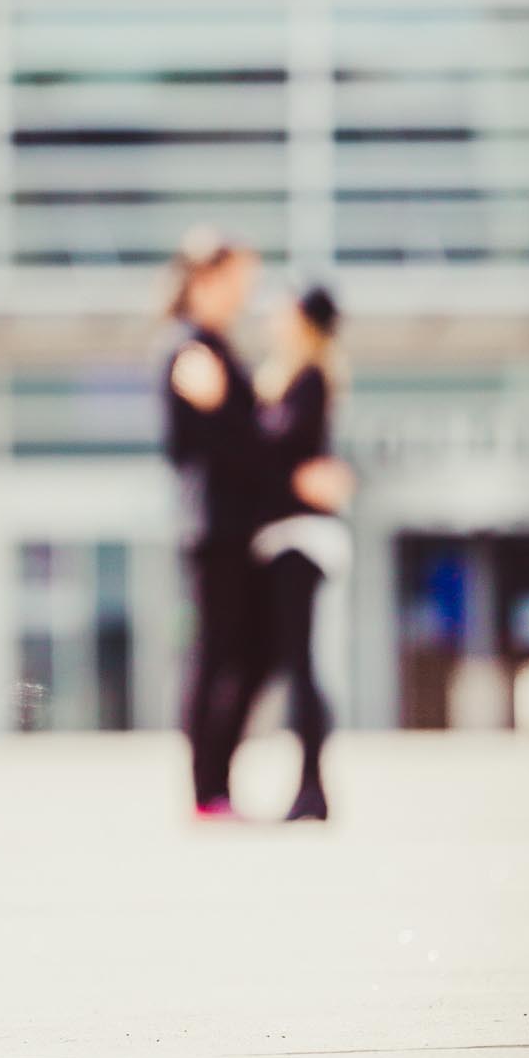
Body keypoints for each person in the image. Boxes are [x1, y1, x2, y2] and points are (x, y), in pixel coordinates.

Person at [162, 229, 348, 820]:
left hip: (270, 536)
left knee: (262, 659)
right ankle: (210, 790)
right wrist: (296, 476)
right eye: (241, 280)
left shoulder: (286, 368)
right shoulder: (194, 349)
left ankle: (250, 787)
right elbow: (237, 447)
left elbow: (272, 442)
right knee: (226, 658)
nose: (252, 296)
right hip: (226, 532)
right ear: (205, 279)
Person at [250, 285, 351, 823]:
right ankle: (311, 784)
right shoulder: (290, 374)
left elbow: (284, 452)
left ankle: (313, 785)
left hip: (300, 539)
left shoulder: (308, 378)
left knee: (301, 665)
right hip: (288, 535)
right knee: (295, 664)